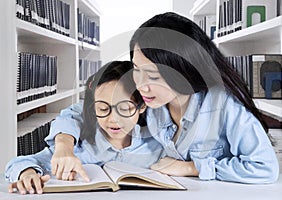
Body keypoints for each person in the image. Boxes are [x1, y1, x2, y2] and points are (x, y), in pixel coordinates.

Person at [42, 12, 279, 184]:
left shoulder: (224, 107)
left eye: (154, 76)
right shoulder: (152, 103)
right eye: (136, 69)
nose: (141, 85)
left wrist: (191, 168)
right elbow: (79, 111)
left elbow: (264, 168)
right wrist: (64, 146)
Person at [5, 61, 163, 194]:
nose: (113, 119)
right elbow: (18, 163)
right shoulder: (81, 148)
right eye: (102, 108)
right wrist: (27, 173)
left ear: (142, 106)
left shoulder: (157, 145)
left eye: (124, 109)